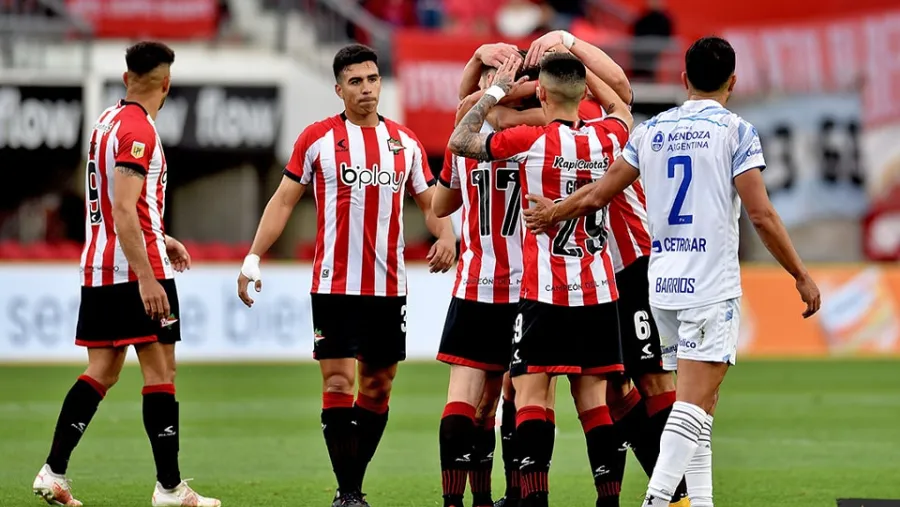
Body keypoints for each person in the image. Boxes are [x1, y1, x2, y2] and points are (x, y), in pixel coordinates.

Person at [522, 36, 822, 507]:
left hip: (661, 285)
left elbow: (600, 193)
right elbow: (761, 215)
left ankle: (700, 502)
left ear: (683, 79)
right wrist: (800, 274)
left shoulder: (651, 130)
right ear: (733, 81)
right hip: (709, 285)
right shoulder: (736, 132)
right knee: (690, 405)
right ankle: (658, 500)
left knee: (701, 406)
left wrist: (555, 212)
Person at [236, 44, 457, 507]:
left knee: (377, 387)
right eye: (355, 82)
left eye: (372, 79)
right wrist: (254, 257)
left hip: (388, 287)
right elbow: (282, 201)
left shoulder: (406, 143)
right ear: (338, 89)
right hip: (334, 286)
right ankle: (350, 493)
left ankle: (349, 483)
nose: (366, 89)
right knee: (338, 383)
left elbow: (432, 204)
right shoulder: (317, 139)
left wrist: (447, 236)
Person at [32, 41, 221, 507]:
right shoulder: (140, 130)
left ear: (125, 79)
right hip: (134, 270)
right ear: (167, 83)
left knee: (102, 370)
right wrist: (146, 274)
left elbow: (120, 205)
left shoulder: (106, 122)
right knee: (161, 372)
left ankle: (52, 471)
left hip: (99, 266)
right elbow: (121, 207)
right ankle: (170, 488)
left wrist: (161, 235)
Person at [448, 51, 633, 507]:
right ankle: (608, 501)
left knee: (530, 394)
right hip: (598, 290)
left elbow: (460, 139)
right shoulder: (608, 138)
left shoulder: (529, 140)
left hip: (545, 291)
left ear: (543, 93)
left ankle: (534, 500)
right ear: (584, 92)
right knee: (594, 402)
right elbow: (624, 108)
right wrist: (588, 74)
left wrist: (496, 90)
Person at [432, 54, 542, 507]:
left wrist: (482, 68)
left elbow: (440, 206)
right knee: (517, 398)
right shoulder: (540, 138)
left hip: (476, 284)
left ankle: (462, 502)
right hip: (528, 289)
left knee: (467, 399)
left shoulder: (463, 142)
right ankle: (516, 497)